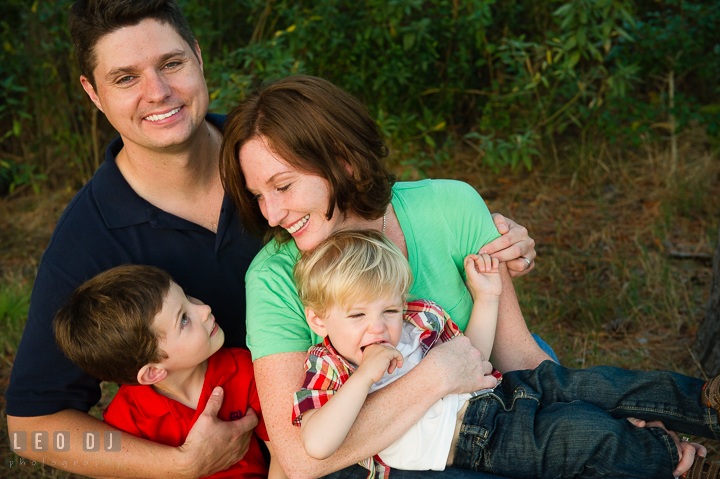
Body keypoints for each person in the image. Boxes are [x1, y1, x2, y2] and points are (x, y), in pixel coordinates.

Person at [5, 2, 538, 477]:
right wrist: (177, 463)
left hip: (438, 381)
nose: (158, 92)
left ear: (197, 57)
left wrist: (484, 230)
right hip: (323, 426)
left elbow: (374, 194)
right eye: (124, 78)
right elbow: (30, 428)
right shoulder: (88, 241)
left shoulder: (263, 158)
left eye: (170, 64)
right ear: (92, 93)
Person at [219, 74, 704, 479]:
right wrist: (432, 378)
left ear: (342, 161)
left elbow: (519, 357)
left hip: (490, 399)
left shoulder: (448, 205)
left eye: (283, 186)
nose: (272, 212)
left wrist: (603, 415)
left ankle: (703, 406)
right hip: (405, 457)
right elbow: (301, 457)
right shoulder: (274, 278)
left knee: (581, 413)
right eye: (258, 194)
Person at [291, 229, 720, 479]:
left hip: (502, 389)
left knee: (597, 384)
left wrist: (488, 299)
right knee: (577, 434)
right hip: (476, 440)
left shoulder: (417, 320)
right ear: (320, 320)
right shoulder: (328, 367)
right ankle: (669, 458)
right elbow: (316, 443)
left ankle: (703, 401)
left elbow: (470, 356)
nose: (379, 326)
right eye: (357, 314)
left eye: (389, 308)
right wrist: (364, 376)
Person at [53, 264, 286, 479]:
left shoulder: (245, 370)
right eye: (184, 319)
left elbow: (282, 455)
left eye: (187, 297)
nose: (204, 309)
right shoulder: (127, 419)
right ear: (154, 372)